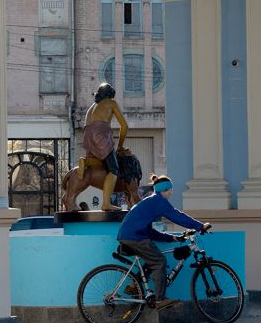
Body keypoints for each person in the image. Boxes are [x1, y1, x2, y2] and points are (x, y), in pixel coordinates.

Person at [117, 174, 212, 309]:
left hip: (130, 234)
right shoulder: (159, 201)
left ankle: (133, 286)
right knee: (159, 261)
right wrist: (200, 226)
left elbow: (149, 231)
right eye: (171, 190)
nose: (171, 194)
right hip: (134, 236)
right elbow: (177, 216)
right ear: (165, 190)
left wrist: (170, 237)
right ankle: (160, 300)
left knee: (152, 259)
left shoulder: (151, 200)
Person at [79, 82, 128, 211]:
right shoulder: (111, 103)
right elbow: (124, 126)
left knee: (100, 162)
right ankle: (106, 203)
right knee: (113, 169)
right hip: (100, 134)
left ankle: (85, 161)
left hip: (87, 134)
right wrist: (120, 146)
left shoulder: (92, 106)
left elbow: (87, 125)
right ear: (110, 94)